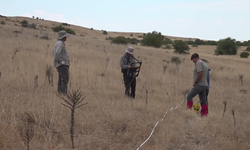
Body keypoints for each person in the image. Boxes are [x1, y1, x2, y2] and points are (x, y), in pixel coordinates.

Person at [53, 30, 70, 94]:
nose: (66, 38)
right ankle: (64, 93)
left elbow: (53, 52)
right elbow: (57, 52)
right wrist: (60, 61)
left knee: (61, 78)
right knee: (64, 79)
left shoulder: (58, 43)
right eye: (65, 36)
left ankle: (60, 92)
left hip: (60, 64)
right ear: (63, 37)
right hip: (63, 65)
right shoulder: (60, 43)